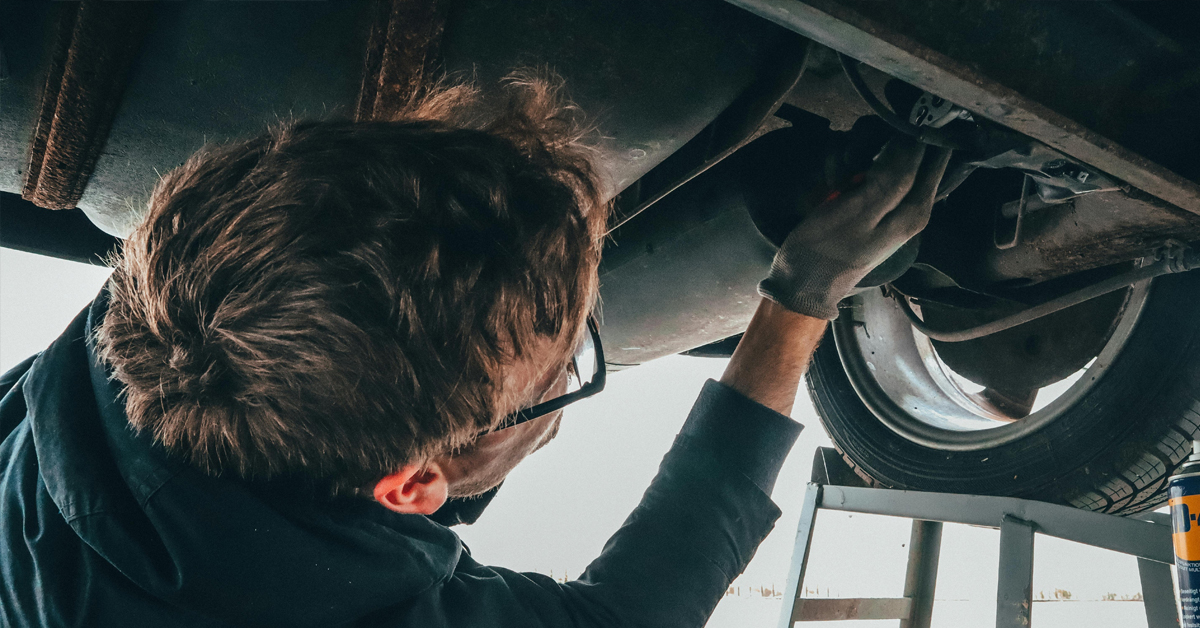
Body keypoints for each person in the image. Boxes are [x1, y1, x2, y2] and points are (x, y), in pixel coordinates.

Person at [0, 76, 949, 627]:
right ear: (410, 484)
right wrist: (798, 301)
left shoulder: (169, 296)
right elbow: (632, 613)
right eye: (564, 369)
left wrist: (799, 295)